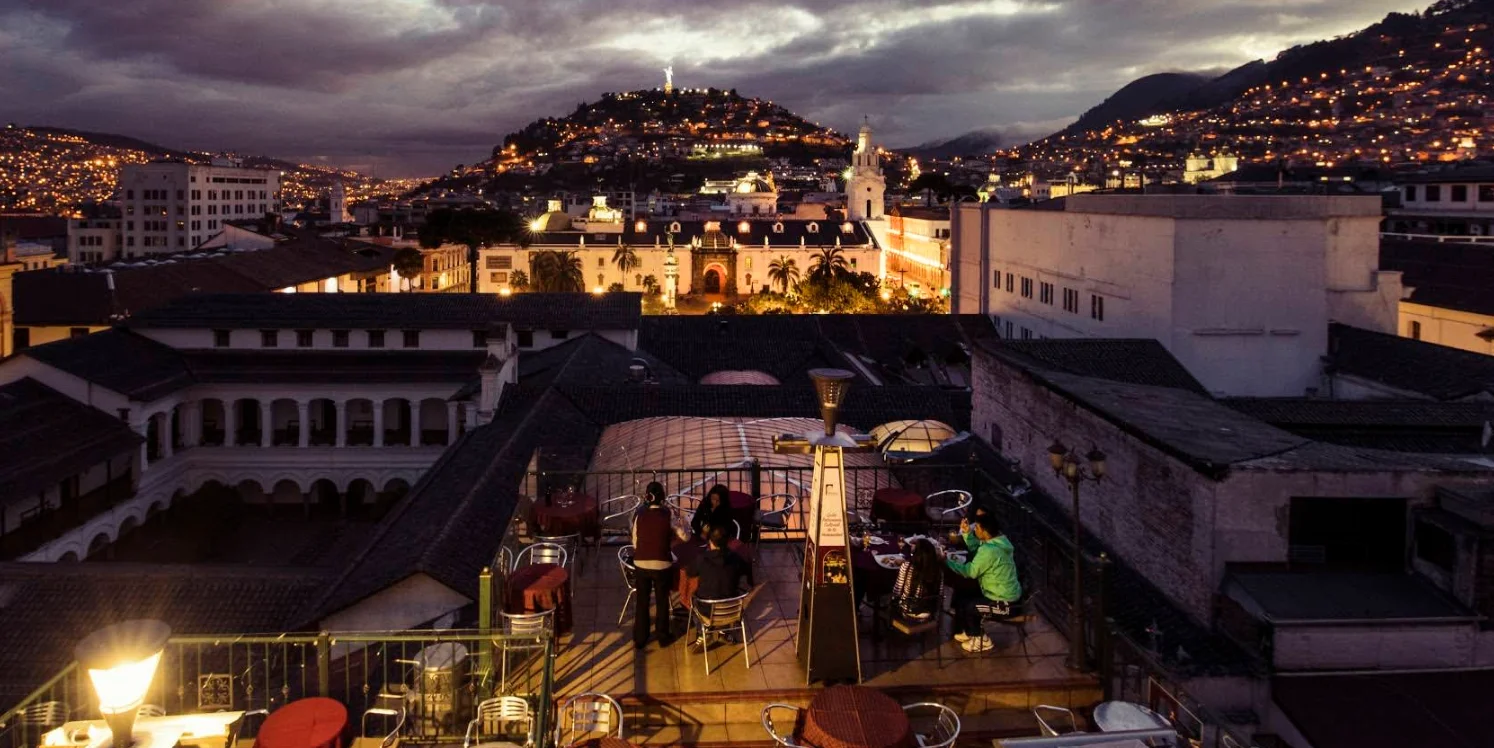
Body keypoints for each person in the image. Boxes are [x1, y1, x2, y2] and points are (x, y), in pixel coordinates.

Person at [944, 513, 1021, 653]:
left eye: (977, 528)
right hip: (1006, 595)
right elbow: (979, 549)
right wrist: (967, 533)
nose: (975, 530)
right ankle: (969, 632)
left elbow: (970, 572)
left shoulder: (990, 550)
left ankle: (982, 640)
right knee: (963, 597)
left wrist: (946, 561)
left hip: (1004, 603)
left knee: (970, 606)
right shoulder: (1000, 542)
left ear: (985, 531)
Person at [630, 481, 677, 649]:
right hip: (662, 564)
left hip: (641, 563)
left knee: (642, 601)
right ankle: (663, 636)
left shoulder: (639, 514)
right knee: (661, 599)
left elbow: (635, 540)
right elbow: (682, 535)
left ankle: (640, 638)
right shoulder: (667, 514)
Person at [685, 526, 751, 643]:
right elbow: (746, 570)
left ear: (710, 542)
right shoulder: (736, 558)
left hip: (707, 609)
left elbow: (690, 572)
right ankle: (724, 631)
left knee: (693, 599)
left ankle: (702, 631)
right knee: (724, 593)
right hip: (732, 608)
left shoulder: (703, 559)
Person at [890, 538, 943, 622]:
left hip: (908, 613)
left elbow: (897, 591)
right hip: (929, 613)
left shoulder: (907, 566)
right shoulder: (938, 570)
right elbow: (939, 594)